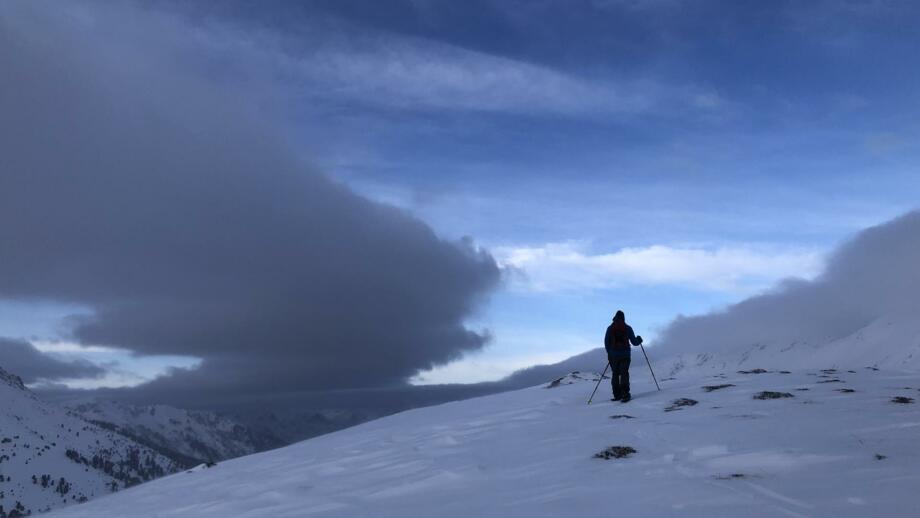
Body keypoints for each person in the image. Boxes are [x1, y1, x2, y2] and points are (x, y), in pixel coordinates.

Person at [604, 310, 643, 402]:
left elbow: (606, 342)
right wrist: (639, 340)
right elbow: (634, 342)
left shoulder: (610, 328)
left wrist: (609, 353)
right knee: (624, 373)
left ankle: (617, 394)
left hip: (613, 355)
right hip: (625, 354)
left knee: (615, 374)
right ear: (623, 318)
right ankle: (625, 393)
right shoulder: (627, 328)